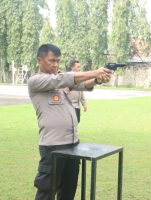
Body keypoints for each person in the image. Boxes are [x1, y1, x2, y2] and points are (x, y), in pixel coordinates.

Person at [28, 44, 111, 200]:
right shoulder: (35, 81)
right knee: (47, 192)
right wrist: (94, 72)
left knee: (68, 190)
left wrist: (97, 79)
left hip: (72, 144)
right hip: (53, 146)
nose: (55, 65)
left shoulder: (60, 81)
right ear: (39, 60)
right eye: (51, 61)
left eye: (58, 61)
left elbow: (82, 85)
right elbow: (63, 78)